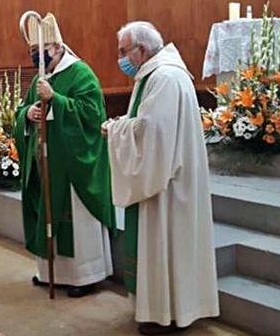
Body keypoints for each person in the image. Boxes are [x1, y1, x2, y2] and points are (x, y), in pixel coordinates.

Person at [103, 22, 219, 335]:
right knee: (166, 247)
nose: (121, 58)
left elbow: (153, 136)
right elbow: (148, 126)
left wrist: (114, 130)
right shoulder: (158, 74)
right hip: (169, 176)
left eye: (124, 51)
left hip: (168, 184)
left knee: (166, 243)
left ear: (141, 50)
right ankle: (164, 309)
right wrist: (124, 126)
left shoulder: (165, 77)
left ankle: (167, 314)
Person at [14, 12, 115, 298]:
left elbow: (92, 114)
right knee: (48, 215)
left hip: (72, 165)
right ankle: (49, 273)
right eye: (32, 52)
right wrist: (29, 115)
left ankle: (86, 276)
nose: (36, 57)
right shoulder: (41, 78)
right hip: (48, 163)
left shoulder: (81, 73)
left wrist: (54, 99)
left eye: (40, 51)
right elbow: (24, 111)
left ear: (57, 47)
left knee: (75, 221)